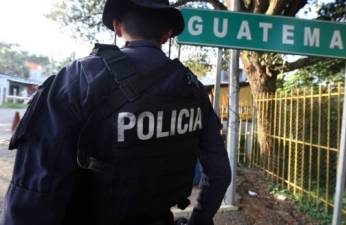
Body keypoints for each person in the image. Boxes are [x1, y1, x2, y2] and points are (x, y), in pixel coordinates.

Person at [0, 0, 231, 225]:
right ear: (167, 34)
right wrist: (199, 220)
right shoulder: (193, 88)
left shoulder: (79, 78)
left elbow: (35, 190)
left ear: (118, 27)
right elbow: (220, 172)